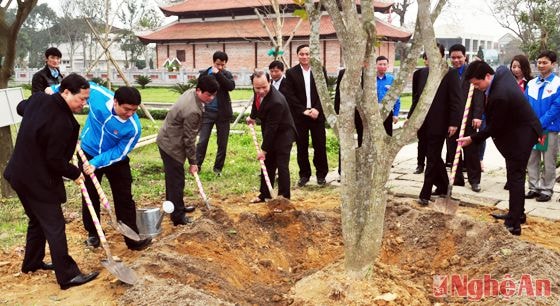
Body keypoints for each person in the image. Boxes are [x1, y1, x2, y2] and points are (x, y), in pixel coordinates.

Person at [3, 73, 99, 289]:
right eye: (81, 99)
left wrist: (43, 97)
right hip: (37, 180)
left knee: (36, 220)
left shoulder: (38, 99)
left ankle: (32, 263)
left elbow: (21, 107)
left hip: (17, 174)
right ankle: (68, 276)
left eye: (86, 99)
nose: (84, 104)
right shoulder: (64, 123)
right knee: (55, 226)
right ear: (65, 92)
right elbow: (54, 160)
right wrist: (75, 173)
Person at [458, 61, 542, 235]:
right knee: (514, 176)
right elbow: (502, 69)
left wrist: (472, 139)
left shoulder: (499, 96)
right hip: (519, 128)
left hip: (522, 135)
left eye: (477, 83)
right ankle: (516, 213)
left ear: (487, 76)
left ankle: (514, 224)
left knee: (515, 177)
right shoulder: (502, 73)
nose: (475, 87)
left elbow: (494, 128)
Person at [78, 85, 152, 250]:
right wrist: (53, 89)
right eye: (127, 109)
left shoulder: (133, 127)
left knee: (124, 197)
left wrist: (96, 162)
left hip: (115, 160)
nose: (130, 114)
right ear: (115, 101)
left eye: (134, 110)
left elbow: (119, 152)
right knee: (89, 195)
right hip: (88, 152)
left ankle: (132, 239)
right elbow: (77, 86)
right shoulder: (97, 96)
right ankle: (94, 234)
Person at [157, 75, 219, 225]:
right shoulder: (193, 111)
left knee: (174, 181)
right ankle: (177, 216)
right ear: (198, 90)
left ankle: (176, 206)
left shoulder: (191, 93)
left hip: (168, 138)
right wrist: (193, 162)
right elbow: (189, 139)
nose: (211, 98)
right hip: (171, 145)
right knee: (176, 182)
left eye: (213, 95)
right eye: (208, 95)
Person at [416, 45, 463, 205]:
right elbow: (416, 98)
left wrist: (454, 123)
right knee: (433, 156)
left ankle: (425, 192)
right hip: (422, 123)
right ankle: (443, 185)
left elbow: (456, 100)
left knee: (432, 156)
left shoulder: (450, 74)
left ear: (442, 57)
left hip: (440, 122)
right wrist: (411, 118)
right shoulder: (420, 74)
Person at [281, 44, 329, 186]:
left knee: (319, 145)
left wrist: (317, 109)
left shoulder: (319, 70)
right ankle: (304, 175)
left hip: (317, 115)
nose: (305, 57)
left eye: (307, 54)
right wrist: (303, 110)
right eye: (302, 54)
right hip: (300, 116)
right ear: (298, 55)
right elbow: (290, 95)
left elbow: (324, 93)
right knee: (302, 146)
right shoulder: (291, 73)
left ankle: (321, 174)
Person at [246, 71, 296, 202]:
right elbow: (256, 104)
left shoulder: (276, 101)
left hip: (283, 134)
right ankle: (265, 194)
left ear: (270, 82)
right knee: (267, 164)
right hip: (270, 131)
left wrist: (264, 150)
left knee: (281, 164)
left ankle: (284, 198)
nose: (261, 91)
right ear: (253, 85)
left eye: (264, 87)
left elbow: (272, 129)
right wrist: (252, 117)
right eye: (257, 88)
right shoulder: (258, 92)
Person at [446, 44, 484, 192]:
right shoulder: (448, 73)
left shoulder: (473, 72)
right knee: (452, 149)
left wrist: (477, 115)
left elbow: (479, 94)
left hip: (470, 118)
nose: (456, 60)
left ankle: (474, 180)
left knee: (471, 150)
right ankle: (457, 179)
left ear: (465, 57)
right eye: (453, 58)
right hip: (452, 120)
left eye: (459, 57)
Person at [524, 51, 560, 202]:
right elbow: (524, 104)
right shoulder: (531, 83)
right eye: (539, 62)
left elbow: (556, 107)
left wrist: (540, 123)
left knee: (549, 160)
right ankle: (533, 187)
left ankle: (546, 189)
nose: (541, 65)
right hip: (532, 128)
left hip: (549, 128)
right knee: (532, 158)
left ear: (553, 64)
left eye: (545, 62)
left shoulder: (557, 83)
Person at [195, 51, 236, 176]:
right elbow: (198, 91)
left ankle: (218, 169)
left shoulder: (226, 74)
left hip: (223, 113)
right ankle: (197, 165)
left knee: (222, 143)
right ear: (214, 62)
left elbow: (230, 86)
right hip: (207, 113)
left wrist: (219, 74)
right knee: (202, 141)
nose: (220, 67)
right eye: (218, 64)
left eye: (223, 65)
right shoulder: (204, 74)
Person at [375, 55, 400, 135]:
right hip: (373, 113)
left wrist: (395, 114)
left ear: (388, 66)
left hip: (388, 112)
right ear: (376, 65)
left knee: (387, 136)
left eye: (384, 64)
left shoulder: (391, 79)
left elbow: (397, 98)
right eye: (380, 64)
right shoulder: (370, 79)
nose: (382, 66)